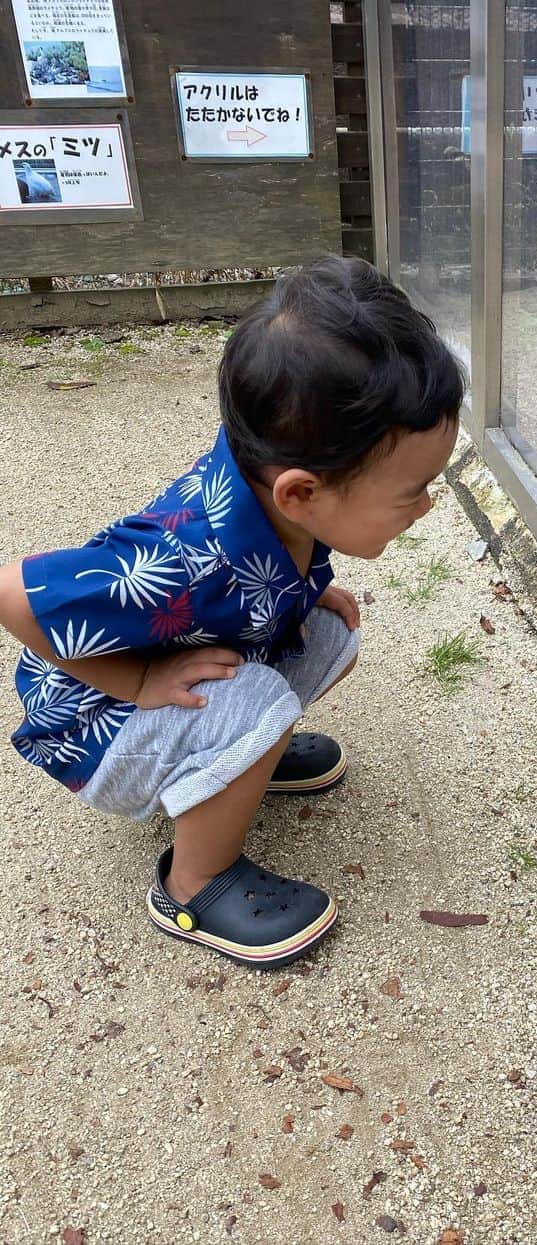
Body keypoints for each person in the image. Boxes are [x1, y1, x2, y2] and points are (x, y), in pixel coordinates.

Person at [0, 255, 465, 970]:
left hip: (166, 677)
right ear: (302, 495)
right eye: (415, 490)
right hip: (94, 728)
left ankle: (229, 766)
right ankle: (194, 883)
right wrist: (137, 683)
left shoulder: (266, 469)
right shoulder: (184, 554)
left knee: (331, 632)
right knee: (258, 703)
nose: (427, 505)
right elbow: (14, 596)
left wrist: (304, 590)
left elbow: (251, 591)